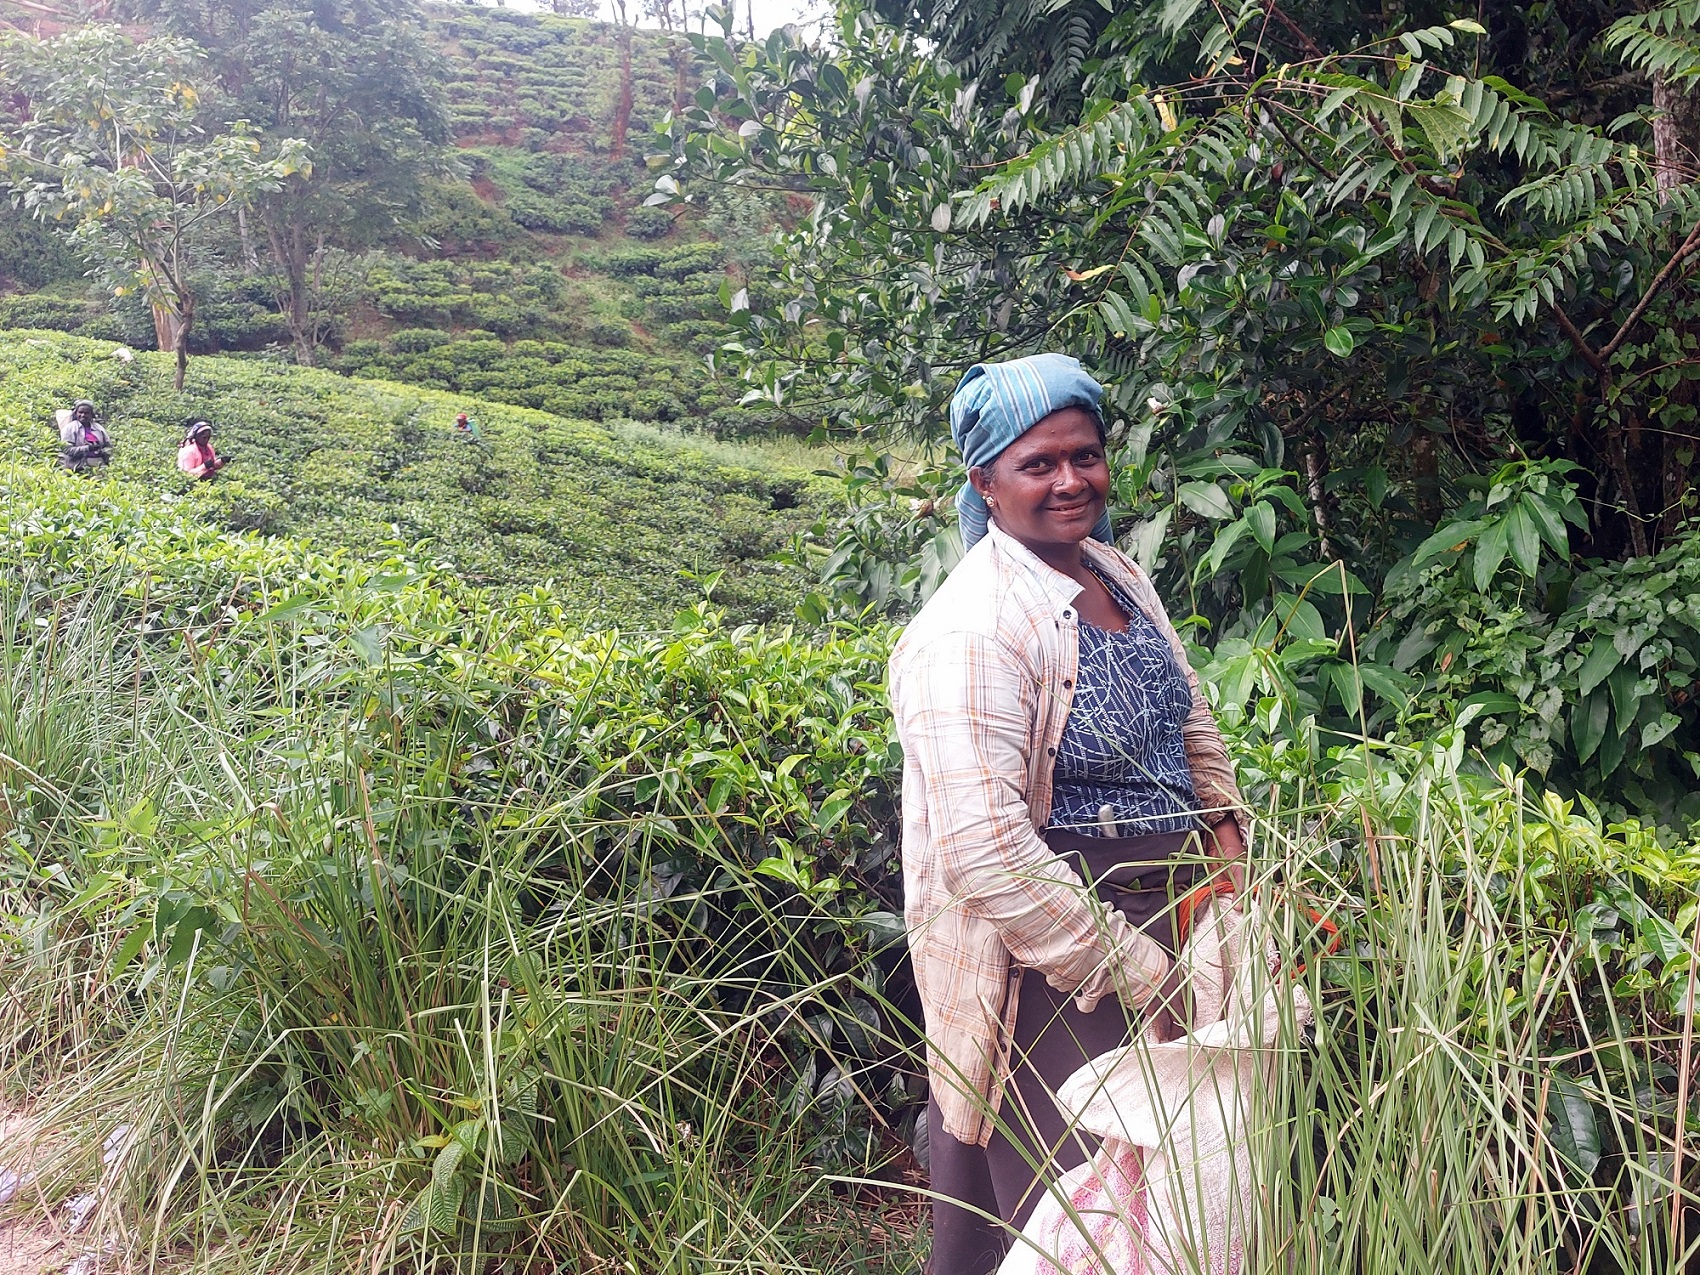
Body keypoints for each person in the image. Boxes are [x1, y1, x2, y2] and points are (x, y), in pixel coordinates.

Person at [886, 353, 1250, 1275]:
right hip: (1060, 955)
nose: (1069, 481)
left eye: (1084, 456)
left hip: (1179, 912)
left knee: (1187, 1193)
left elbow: (1188, 716)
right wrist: (1139, 969)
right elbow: (987, 850)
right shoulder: (970, 628)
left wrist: (1227, 841)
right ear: (985, 481)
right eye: (1037, 463)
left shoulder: (1115, 573)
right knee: (1090, 1213)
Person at [55, 400, 112, 473]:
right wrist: (88, 448)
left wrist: (102, 451)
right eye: (80, 412)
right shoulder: (70, 428)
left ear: (91, 414)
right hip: (76, 466)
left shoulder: (99, 428)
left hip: (98, 466)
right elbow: (67, 449)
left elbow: (108, 446)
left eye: (86, 413)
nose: (83, 415)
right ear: (76, 413)